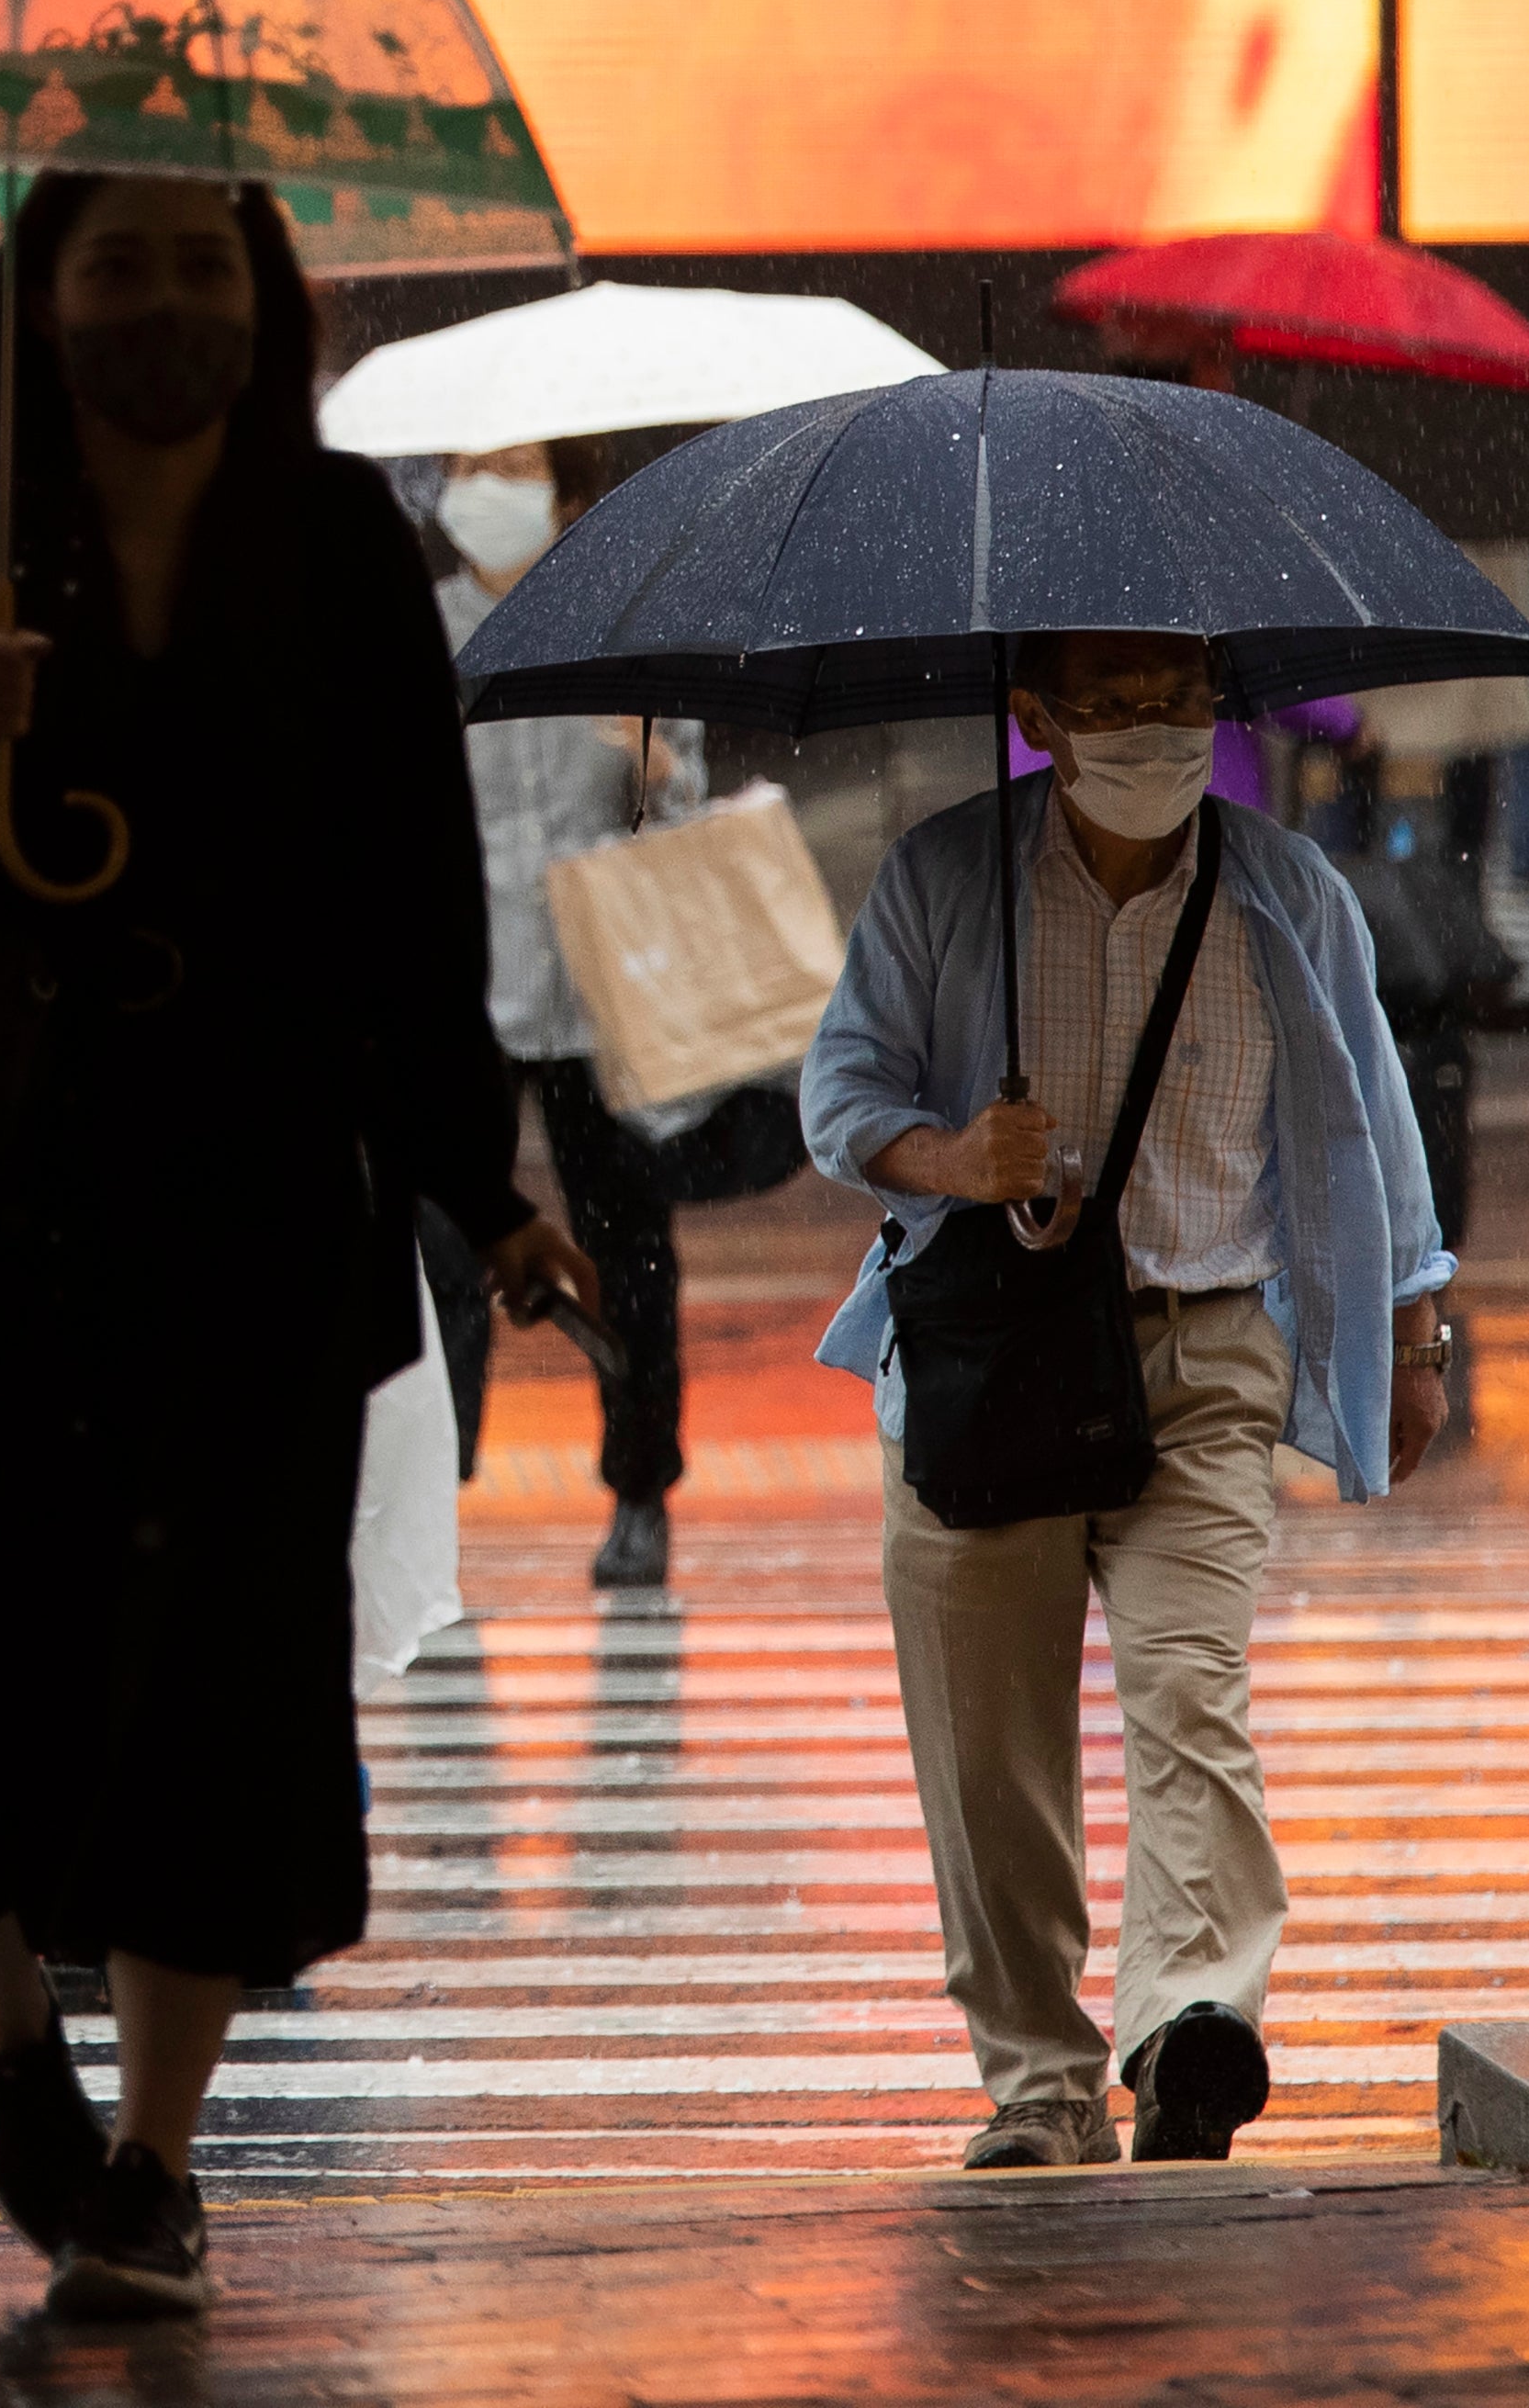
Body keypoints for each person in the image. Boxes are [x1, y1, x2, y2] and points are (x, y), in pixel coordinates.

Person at [0, 170, 601, 2320]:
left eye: (198, 262)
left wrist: (485, 1184)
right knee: (8, 1655)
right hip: (10, 1195)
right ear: (37, 293)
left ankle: (156, 2157)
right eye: (113, 261)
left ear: (262, 299)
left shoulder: (342, 546)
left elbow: (410, 906)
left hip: (258, 1203)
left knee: (223, 1685)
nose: (159, 302)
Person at [801, 631, 1452, 2173]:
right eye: (1112, 704)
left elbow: (1373, 1119)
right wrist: (959, 1161)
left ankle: (1188, 2030)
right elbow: (841, 1095)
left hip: (1207, 1356)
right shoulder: (946, 876)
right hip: (985, 1361)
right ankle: (1037, 2083)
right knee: (993, 1754)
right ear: (1033, 718)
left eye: (1180, 702)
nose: (1154, 733)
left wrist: (1415, 1335)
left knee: (1190, 1695)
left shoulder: (1292, 892)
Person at [432, 435, 709, 1584]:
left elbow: (683, 802)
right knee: (446, 1249)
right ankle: (430, 1501)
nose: (483, 484)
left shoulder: (622, 618)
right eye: (468, 462)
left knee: (628, 1248)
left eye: (511, 463)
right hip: (462, 983)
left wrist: (647, 761)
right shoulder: (424, 623)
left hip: (603, 991)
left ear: (569, 491)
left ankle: (640, 1487)